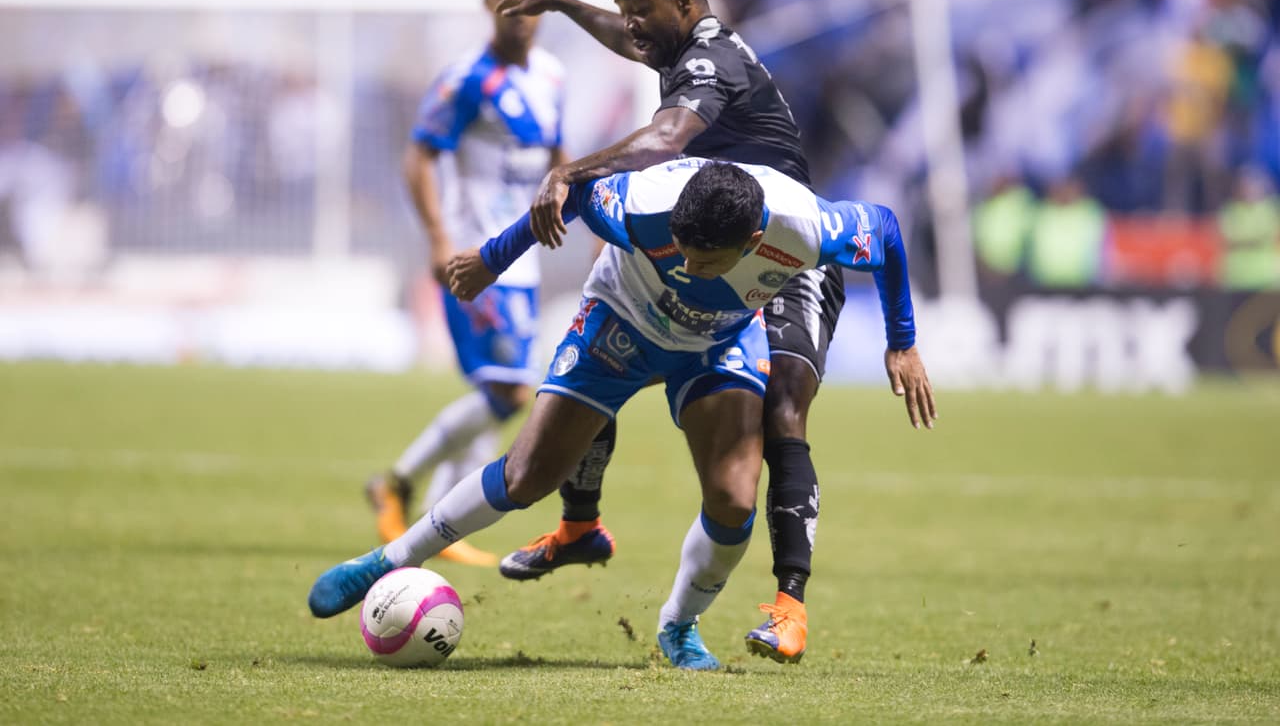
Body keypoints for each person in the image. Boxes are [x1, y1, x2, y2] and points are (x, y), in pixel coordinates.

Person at [488, 0, 936, 663]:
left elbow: (665, 140)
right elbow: (630, 38)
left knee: (783, 403)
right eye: (622, 6)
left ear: (684, 0)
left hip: (785, 250)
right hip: (715, 240)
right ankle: (578, 523)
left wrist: (902, 338)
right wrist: (565, 5)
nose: (628, 22)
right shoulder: (676, 44)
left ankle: (789, 606)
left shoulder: (709, 62)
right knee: (617, 303)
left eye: (639, 5)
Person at [307, 157, 932, 672]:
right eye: (679, 252)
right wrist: (491, 260)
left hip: (720, 340)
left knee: (736, 497)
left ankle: (678, 627)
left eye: (703, 260)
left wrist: (901, 339)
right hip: (622, 319)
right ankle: (389, 560)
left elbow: (887, 230)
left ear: (751, 242)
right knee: (528, 476)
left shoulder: (808, 229)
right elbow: (565, 196)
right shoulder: (638, 205)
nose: (686, 268)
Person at [363, 0, 569, 566]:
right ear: (488, 4)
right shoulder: (466, 80)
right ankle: (397, 482)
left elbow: (560, 159)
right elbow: (420, 155)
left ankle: (435, 514)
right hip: (478, 258)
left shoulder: (553, 76)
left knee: (496, 390)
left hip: (525, 258)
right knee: (509, 392)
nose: (521, 10)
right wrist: (437, 237)